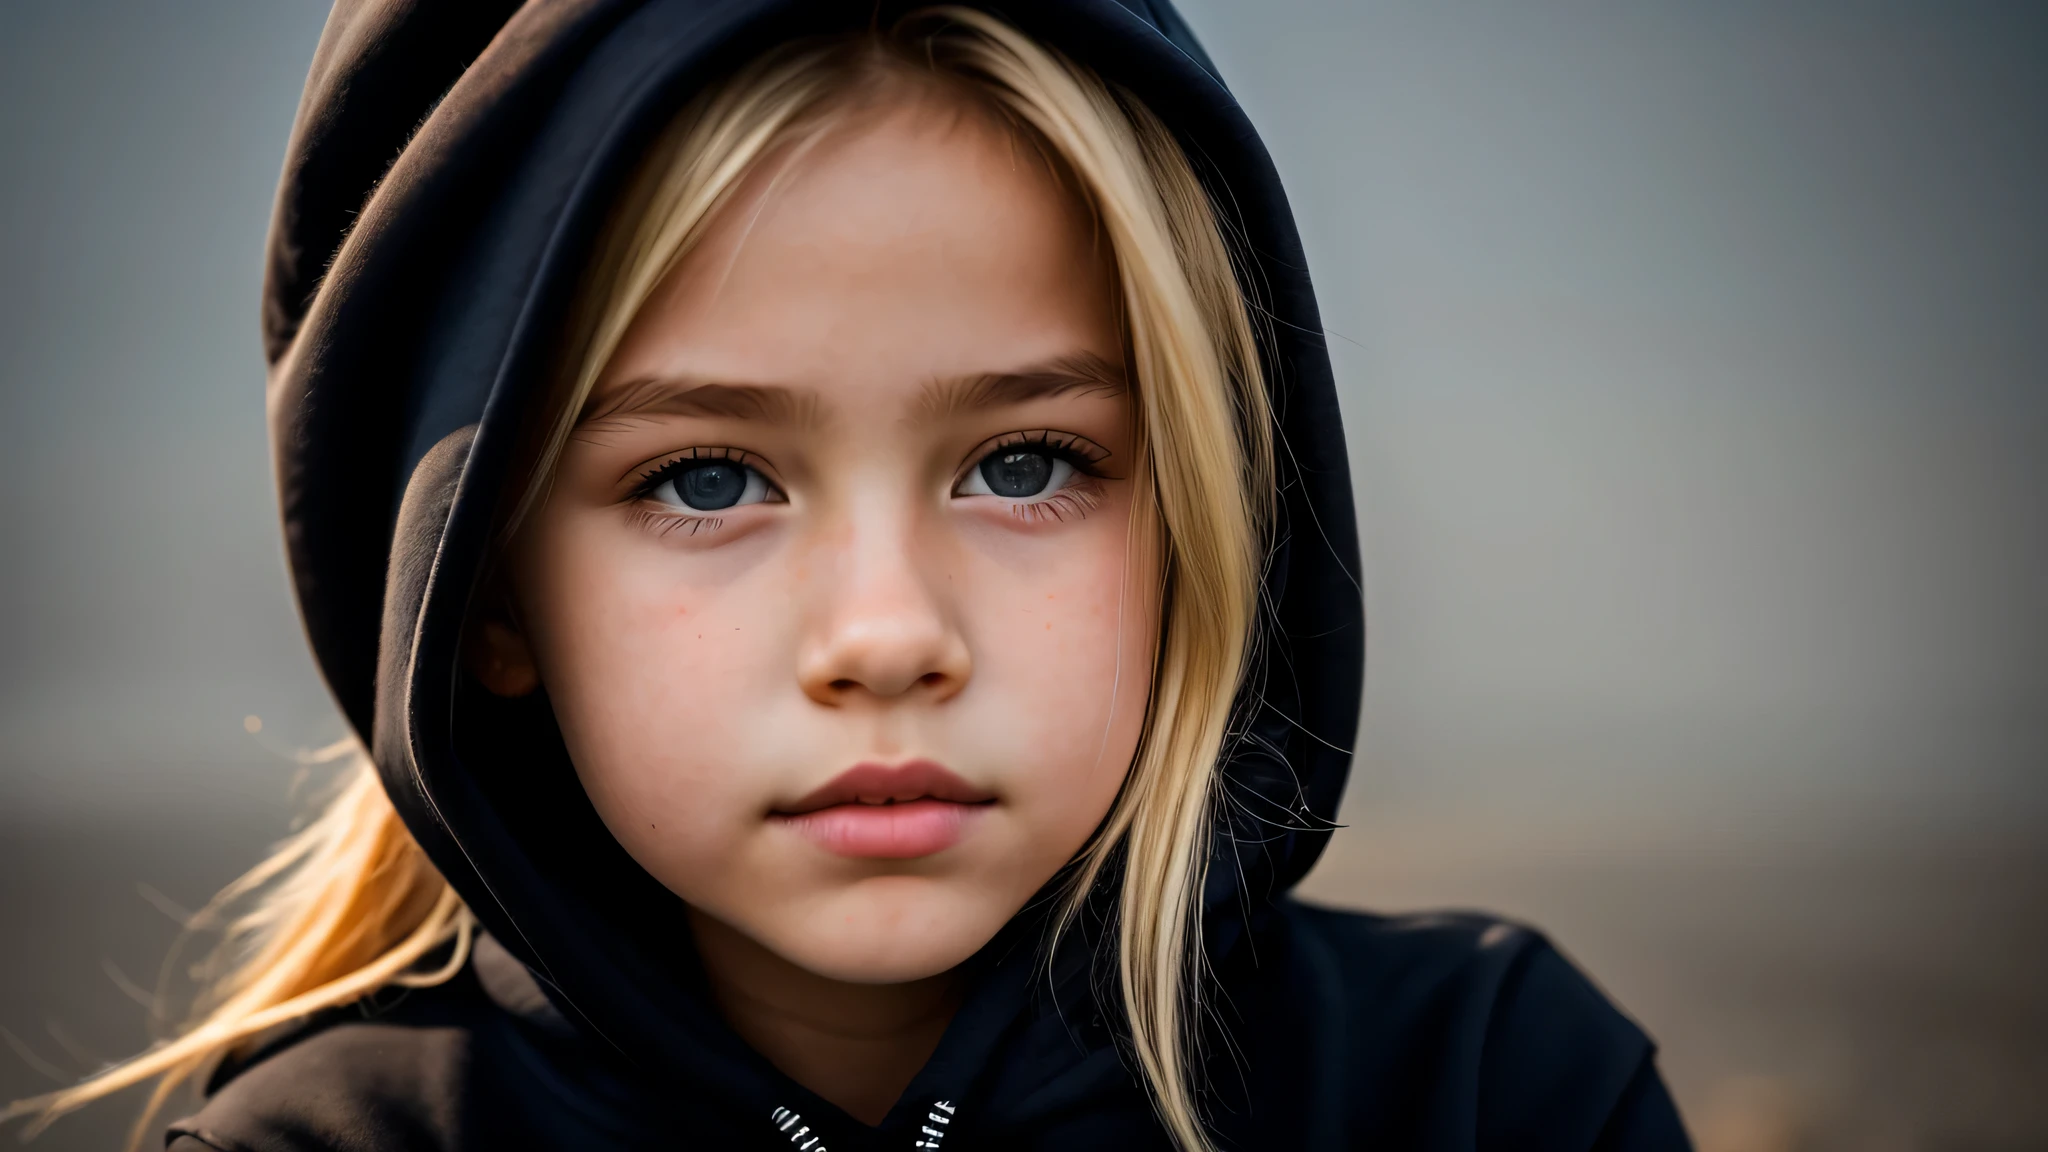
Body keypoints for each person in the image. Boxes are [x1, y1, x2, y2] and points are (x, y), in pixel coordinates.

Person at [9, 2, 1691, 1148]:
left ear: (1202, 512)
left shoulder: (1482, 1091)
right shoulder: (330, 1148)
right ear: (487, 592)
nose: (888, 637)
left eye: (1026, 467)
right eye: (707, 479)